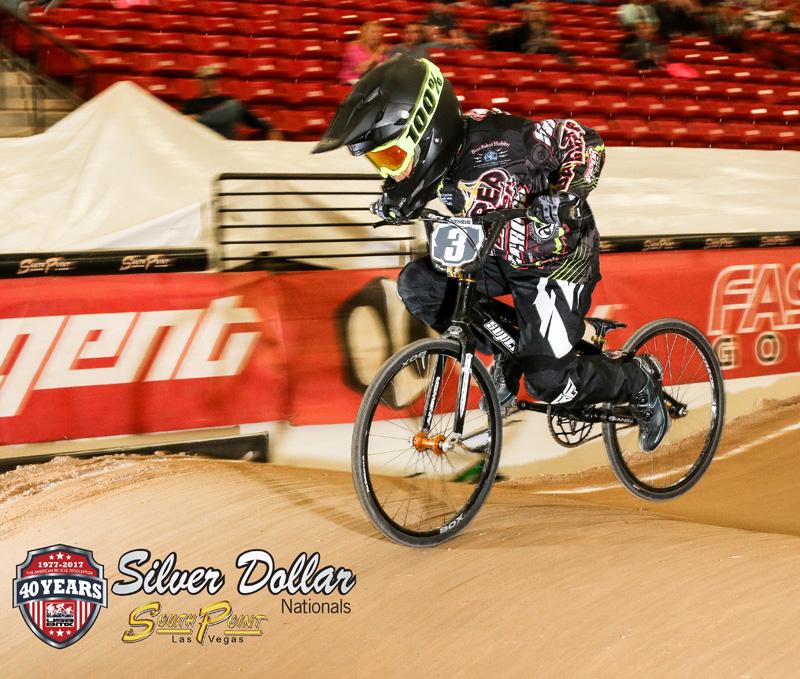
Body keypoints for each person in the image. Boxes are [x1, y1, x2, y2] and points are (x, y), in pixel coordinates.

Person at [312, 56, 670, 452]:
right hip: (498, 251)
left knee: (550, 384)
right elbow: (410, 189)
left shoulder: (506, 139)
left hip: (557, 261)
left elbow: (584, 140)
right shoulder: (442, 157)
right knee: (418, 284)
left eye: (392, 157)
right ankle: (510, 352)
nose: (391, 173)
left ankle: (638, 381)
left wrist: (566, 196)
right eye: (380, 163)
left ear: (426, 132)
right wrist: (393, 204)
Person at [181, 65, 274, 140]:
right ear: (199, 81)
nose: (210, 82)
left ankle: (200, 119)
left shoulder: (226, 100)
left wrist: (270, 129)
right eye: (206, 78)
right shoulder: (191, 103)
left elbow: (251, 118)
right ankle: (201, 121)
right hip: (202, 135)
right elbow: (182, 125)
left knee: (234, 105)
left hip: (223, 134)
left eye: (213, 78)